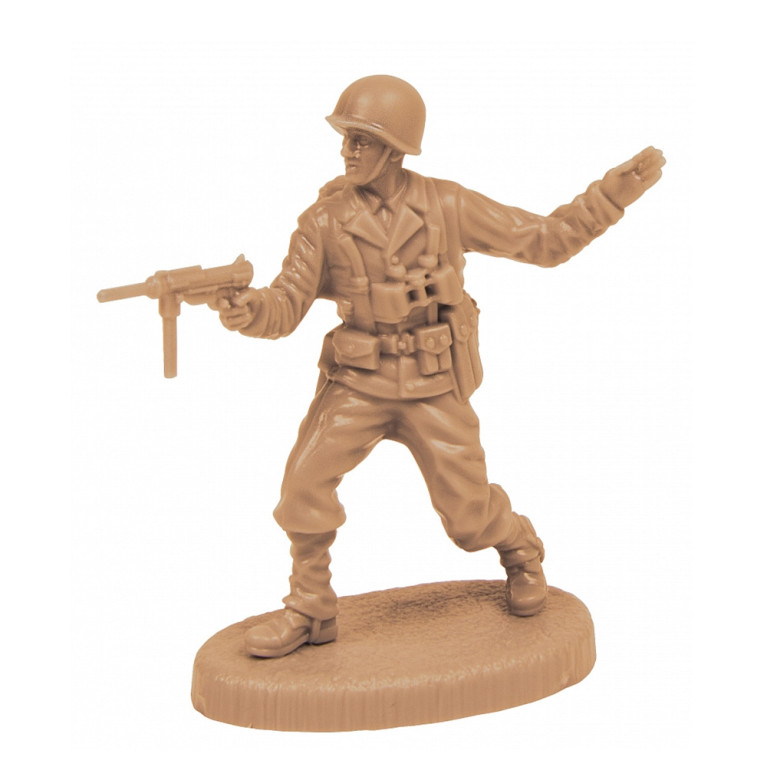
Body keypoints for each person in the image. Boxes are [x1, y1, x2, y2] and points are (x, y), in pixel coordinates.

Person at [215, 75, 665, 658]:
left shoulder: (446, 205)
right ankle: (310, 608)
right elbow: (284, 306)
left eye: (361, 140)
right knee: (302, 486)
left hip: (431, 383)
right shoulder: (322, 221)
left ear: (395, 148)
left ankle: (520, 548)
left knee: (468, 516)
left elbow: (545, 241)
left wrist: (608, 198)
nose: (347, 150)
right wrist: (248, 311)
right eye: (346, 138)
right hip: (359, 382)